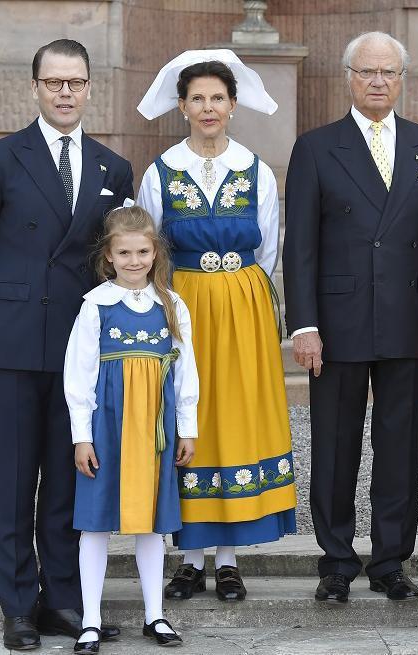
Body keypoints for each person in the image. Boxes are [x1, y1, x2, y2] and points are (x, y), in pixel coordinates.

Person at [0, 39, 134, 650]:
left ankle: (62, 601)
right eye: (54, 82)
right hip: (13, 345)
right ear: (34, 87)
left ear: (88, 88)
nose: (64, 92)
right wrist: (3, 312)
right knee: (15, 477)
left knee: (67, 477)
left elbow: (111, 263)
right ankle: (18, 605)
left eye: (75, 82)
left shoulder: (113, 168)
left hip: (79, 349)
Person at [283, 31, 418, 603]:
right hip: (337, 322)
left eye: (387, 72)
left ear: (402, 78)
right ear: (348, 78)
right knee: (334, 445)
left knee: (400, 445)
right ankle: (336, 560)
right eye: (366, 72)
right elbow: (300, 246)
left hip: (406, 316)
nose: (378, 82)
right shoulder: (315, 147)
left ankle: (390, 561)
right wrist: (303, 324)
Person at [136, 49, 295, 602]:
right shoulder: (161, 172)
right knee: (188, 416)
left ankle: (227, 560)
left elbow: (270, 247)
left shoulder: (255, 170)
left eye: (218, 98)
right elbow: (148, 248)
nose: (208, 107)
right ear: (182, 106)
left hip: (243, 305)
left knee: (235, 415)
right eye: (197, 98)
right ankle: (190, 557)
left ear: (232, 105)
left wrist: (253, 301)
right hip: (184, 304)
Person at [63, 205, 199, 653]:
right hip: (108, 426)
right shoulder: (95, 307)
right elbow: (78, 377)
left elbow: (186, 372)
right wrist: (81, 435)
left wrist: (187, 426)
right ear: (109, 257)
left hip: (154, 428)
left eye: (142, 251)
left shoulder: (171, 304)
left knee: (151, 525)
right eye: (125, 253)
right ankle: (90, 620)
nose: (134, 260)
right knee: (96, 524)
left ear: (155, 252)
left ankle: (155, 614)